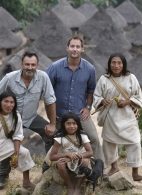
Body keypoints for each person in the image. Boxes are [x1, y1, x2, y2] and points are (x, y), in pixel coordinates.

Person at [0, 51, 57, 189]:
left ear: (37, 65)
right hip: (12, 118)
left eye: (33, 65)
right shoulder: (10, 78)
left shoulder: (43, 77)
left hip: (31, 117)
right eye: (27, 64)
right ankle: (3, 174)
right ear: (21, 64)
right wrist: (1, 119)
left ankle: (48, 170)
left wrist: (52, 124)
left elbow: (50, 100)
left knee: (53, 135)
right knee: (5, 141)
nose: (30, 67)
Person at [46, 35, 105, 165]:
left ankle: (100, 169)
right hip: (59, 114)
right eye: (72, 46)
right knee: (53, 140)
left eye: (78, 47)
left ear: (82, 49)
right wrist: (52, 112)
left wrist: (88, 108)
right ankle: (48, 168)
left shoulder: (89, 69)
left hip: (80, 114)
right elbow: (47, 92)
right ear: (67, 48)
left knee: (94, 138)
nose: (75, 49)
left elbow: (91, 90)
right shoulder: (54, 67)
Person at [92, 52, 142, 181]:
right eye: (114, 63)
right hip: (110, 117)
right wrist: (102, 101)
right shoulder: (103, 79)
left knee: (135, 142)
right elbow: (97, 96)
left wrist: (127, 102)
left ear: (123, 64)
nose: (116, 65)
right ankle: (114, 167)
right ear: (109, 64)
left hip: (128, 117)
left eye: (119, 63)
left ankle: (135, 173)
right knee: (109, 143)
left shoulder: (131, 78)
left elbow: (138, 96)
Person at [50, 112, 93, 195]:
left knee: (86, 162)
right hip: (65, 158)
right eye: (68, 123)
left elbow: (90, 152)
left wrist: (76, 156)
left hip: (79, 158)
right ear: (63, 124)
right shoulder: (59, 137)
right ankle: (69, 185)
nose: (72, 126)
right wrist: (65, 155)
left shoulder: (82, 135)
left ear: (78, 124)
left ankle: (78, 186)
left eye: (74, 123)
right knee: (60, 164)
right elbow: (52, 157)